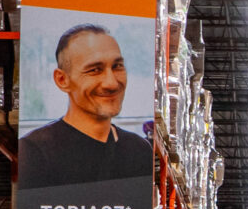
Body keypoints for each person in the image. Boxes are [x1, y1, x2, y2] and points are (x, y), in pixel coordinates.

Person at [16, 24, 152, 186]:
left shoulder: (138, 150)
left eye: (117, 66)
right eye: (94, 70)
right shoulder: (36, 150)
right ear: (62, 80)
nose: (112, 83)